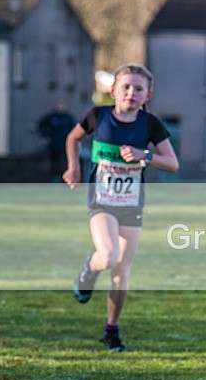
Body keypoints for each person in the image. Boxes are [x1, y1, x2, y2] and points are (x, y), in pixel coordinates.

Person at [62, 64, 179, 351]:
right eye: (125, 87)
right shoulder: (98, 116)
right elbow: (73, 138)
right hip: (101, 201)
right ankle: (90, 269)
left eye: (138, 88)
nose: (131, 93)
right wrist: (74, 166)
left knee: (122, 272)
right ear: (113, 90)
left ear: (147, 94)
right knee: (109, 255)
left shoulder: (150, 124)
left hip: (131, 203)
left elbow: (172, 164)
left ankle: (111, 330)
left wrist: (145, 155)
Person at [38, 101, 75, 182]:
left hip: (65, 146)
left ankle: (65, 179)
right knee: (53, 163)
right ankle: (54, 179)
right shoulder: (51, 117)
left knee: (64, 163)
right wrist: (45, 136)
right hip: (53, 146)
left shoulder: (68, 118)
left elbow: (74, 130)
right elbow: (41, 125)